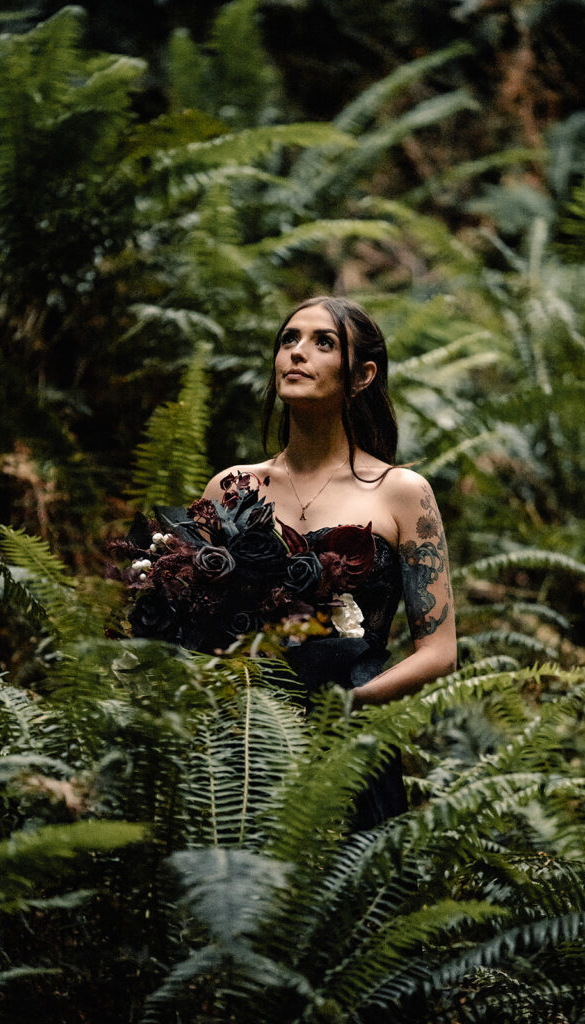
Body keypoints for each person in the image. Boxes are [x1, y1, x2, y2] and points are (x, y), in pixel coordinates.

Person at [202, 296, 456, 826]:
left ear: (362, 376)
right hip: (240, 750)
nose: (297, 353)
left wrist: (347, 705)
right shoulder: (231, 488)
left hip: (347, 746)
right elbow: (197, 624)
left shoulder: (402, 493)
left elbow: (438, 653)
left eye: (324, 342)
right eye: (288, 339)